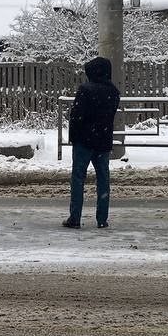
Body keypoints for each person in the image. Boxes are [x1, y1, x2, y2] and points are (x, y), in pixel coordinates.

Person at [64, 56, 120, 230]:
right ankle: (102, 219)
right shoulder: (113, 92)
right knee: (103, 179)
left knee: (78, 178)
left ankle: (75, 218)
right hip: (103, 140)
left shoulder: (85, 89)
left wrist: (74, 137)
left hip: (84, 141)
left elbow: (76, 116)